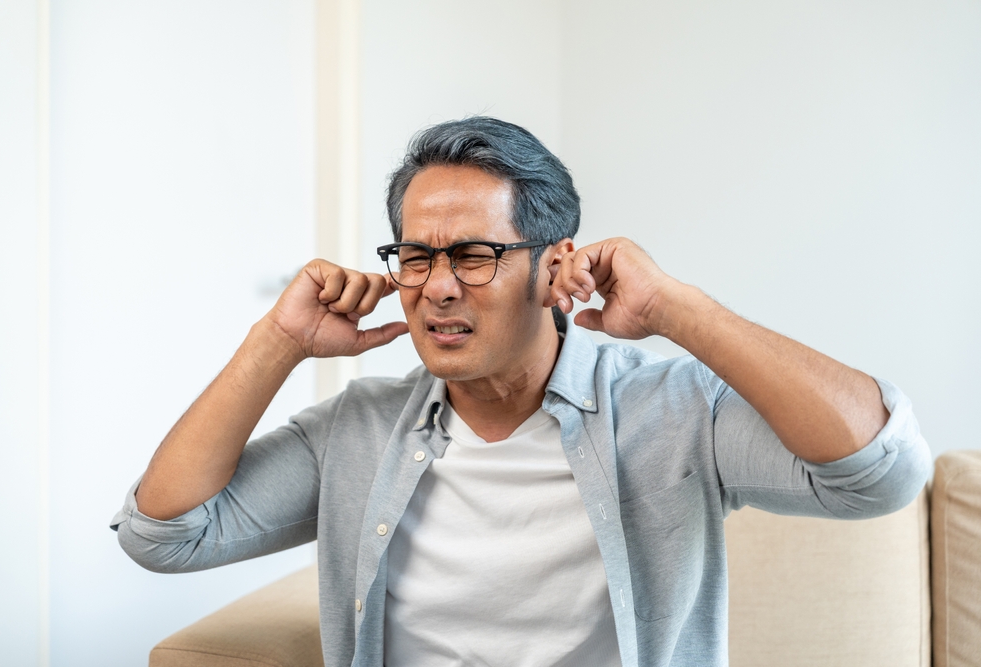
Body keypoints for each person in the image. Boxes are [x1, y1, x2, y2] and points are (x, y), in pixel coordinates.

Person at [112, 117, 931, 667]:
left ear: (552, 264)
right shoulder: (357, 430)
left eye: (471, 254)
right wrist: (277, 343)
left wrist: (679, 309)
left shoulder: (673, 414)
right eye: (416, 256)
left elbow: (880, 473)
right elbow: (165, 533)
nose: (435, 287)